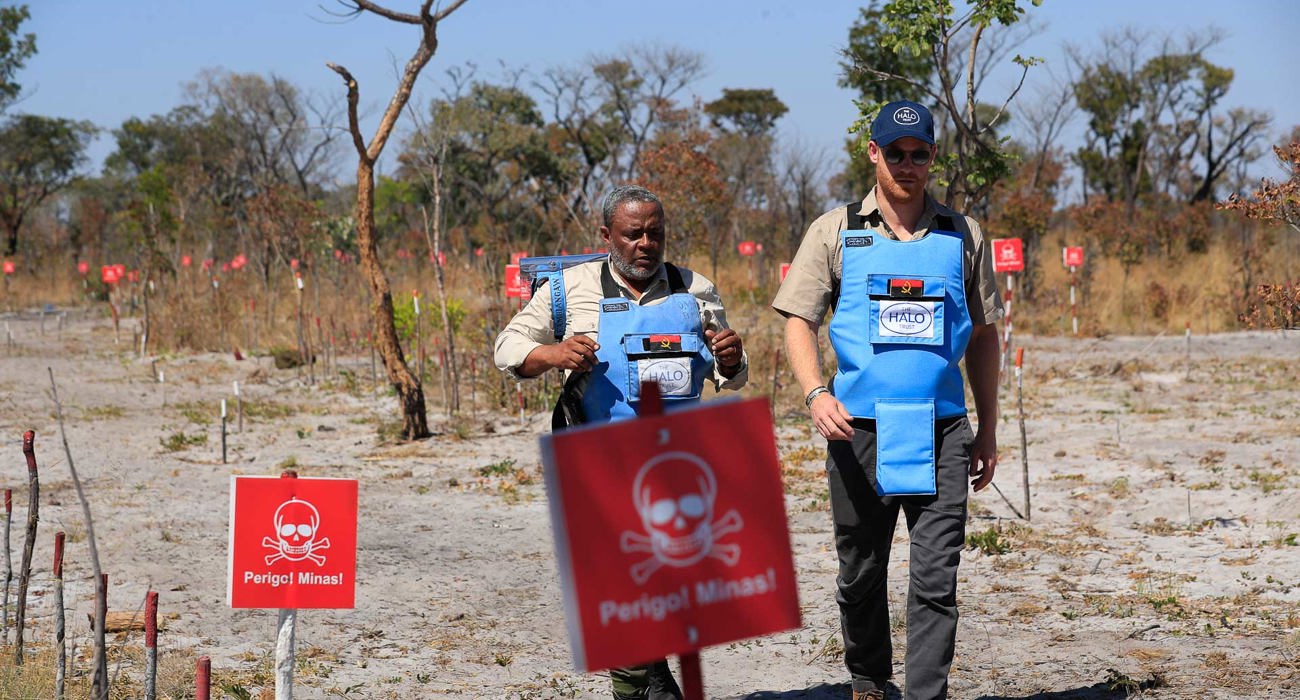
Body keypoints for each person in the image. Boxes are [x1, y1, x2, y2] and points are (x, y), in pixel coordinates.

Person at [771, 100, 1002, 700]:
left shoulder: (964, 235)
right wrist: (815, 392)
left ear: (932, 157)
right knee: (861, 572)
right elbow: (798, 318)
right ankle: (869, 682)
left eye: (918, 153)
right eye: (894, 152)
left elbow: (983, 335)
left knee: (935, 577)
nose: (907, 164)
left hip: (942, 431)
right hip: (856, 431)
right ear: (873, 153)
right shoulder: (834, 230)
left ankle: (927, 694)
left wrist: (989, 430)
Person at [494, 184, 749, 700]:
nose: (645, 244)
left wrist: (729, 359)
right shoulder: (570, 289)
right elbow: (508, 347)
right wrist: (554, 353)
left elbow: (732, 376)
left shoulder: (694, 288)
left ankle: (653, 672)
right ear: (607, 235)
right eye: (633, 234)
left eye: (655, 234)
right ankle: (636, 686)